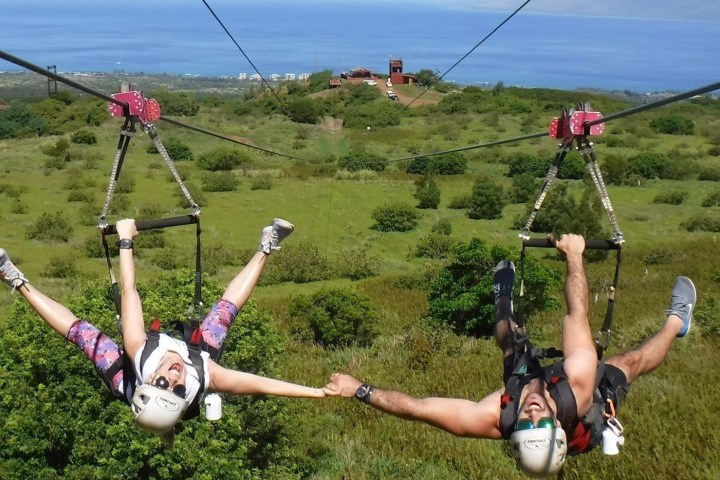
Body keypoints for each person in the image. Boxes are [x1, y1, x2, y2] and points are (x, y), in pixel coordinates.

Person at [326, 234, 696, 478]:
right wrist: (574, 257)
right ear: (556, 425)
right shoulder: (579, 389)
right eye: (542, 422)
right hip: (589, 400)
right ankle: (677, 321)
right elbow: (576, 314)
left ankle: (501, 293)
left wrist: (359, 389)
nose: (532, 413)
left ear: (513, 431)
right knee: (630, 363)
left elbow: (419, 408)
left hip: (533, 383)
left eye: (526, 423)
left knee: (510, 341)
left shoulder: (493, 418)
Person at [0, 218, 336, 441]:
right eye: (177, 389)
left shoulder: (137, 353)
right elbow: (265, 386)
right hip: (194, 359)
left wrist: (126, 240)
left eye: (163, 383)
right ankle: (267, 245)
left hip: (127, 375)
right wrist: (319, 393)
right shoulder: (204, 376)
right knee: (223, 313)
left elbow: (129, 291)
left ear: (149, 380)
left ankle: (13, 277)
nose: (174, 378)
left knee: (84, 336)